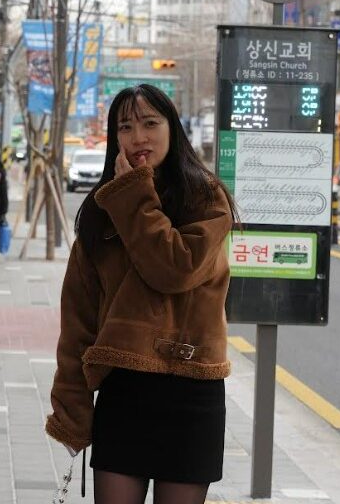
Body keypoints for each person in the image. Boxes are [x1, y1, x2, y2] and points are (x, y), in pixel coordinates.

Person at [45, 84, 237, 504]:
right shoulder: (102, 210)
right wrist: (72, 407)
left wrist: (133, 191)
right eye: (125, 127)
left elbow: (175, 268)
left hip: (192, 391)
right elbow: (78, 319)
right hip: (124, 391)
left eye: (151, 123)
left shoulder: (206, 200)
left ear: (173, 129)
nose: (138, 137)